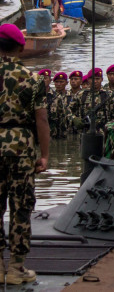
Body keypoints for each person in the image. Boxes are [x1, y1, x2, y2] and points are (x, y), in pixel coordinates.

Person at [0, 23, 49, 286]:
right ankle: (16, 268)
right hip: (21, 149)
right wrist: (44, 156)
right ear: (21, 47)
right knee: (21, 208)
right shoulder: (32, 79)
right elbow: (41, 120)